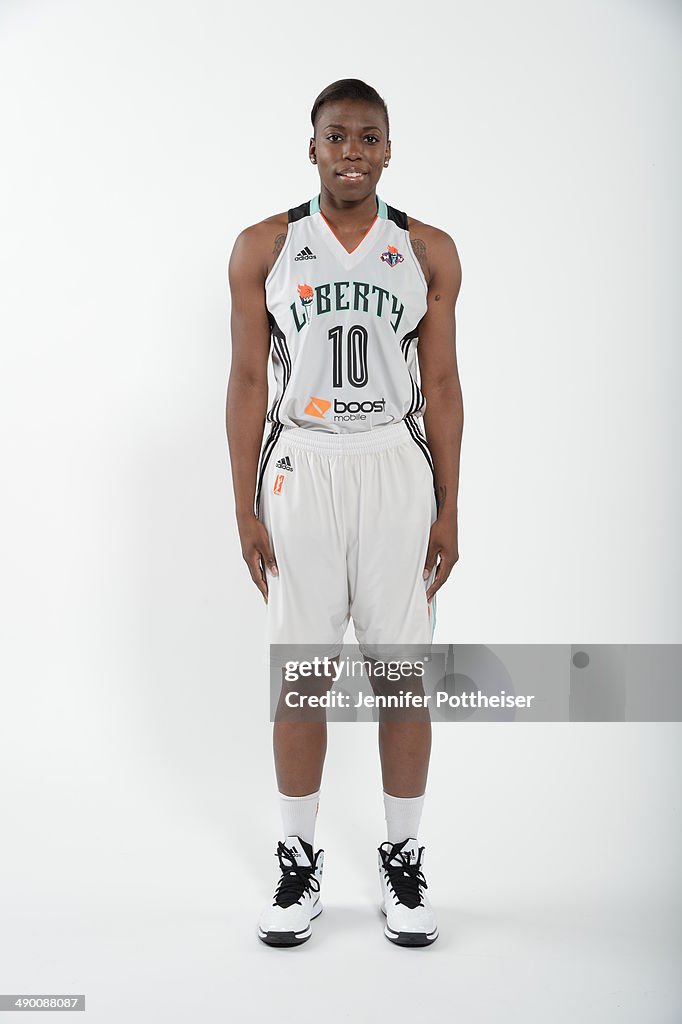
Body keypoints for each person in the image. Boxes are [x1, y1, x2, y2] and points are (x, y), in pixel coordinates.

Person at [226, 78, 463, 947]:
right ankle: (298, 865)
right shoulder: (266, 247)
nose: (352, 152)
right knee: (302, 680)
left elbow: (439, 383)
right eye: (337, 137)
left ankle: (404, 860)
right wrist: (244, 504)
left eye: (368, 138)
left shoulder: (428, 250)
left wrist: (449, 505)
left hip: (396, 472)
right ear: (313, 147)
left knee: (402, 677)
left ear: (389, 150)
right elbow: (249, 380)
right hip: (303, 466)